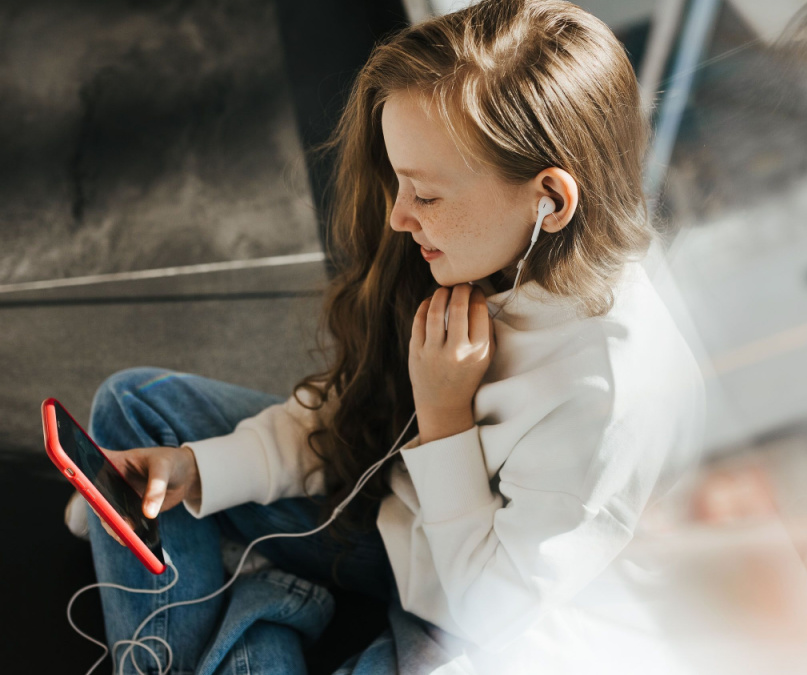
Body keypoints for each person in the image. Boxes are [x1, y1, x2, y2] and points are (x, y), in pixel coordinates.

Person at [74, 1, 707, 672]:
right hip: (399, 525)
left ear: (549, 199)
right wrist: (199, 471)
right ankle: (259, 617)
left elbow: (489, 608)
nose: (400, 217)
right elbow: (361, 415)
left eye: (425, 195)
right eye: (398, 182)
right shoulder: (486, 252)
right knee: (137, 408)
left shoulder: (608, 392)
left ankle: (262, 623)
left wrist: (443, 416)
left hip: (484, 628)